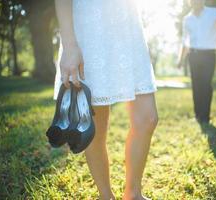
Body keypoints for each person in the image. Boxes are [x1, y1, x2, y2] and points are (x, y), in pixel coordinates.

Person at [53, 0, 159, 199]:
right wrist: (69, 45)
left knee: (148, 119)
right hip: (89, 27)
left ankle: (133, 194)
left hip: (128, 26)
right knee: (94, 128)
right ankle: (105, 196)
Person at [177, 0, 216, 123]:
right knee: (196, 86)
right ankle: (198, 115)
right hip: (193, 56)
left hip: (209, 56)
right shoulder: (187, 19)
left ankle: (205, 116)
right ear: (189, 2)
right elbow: (185, 42)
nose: (196, 2)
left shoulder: (213, 13)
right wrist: (180, 60)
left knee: (206, 85)